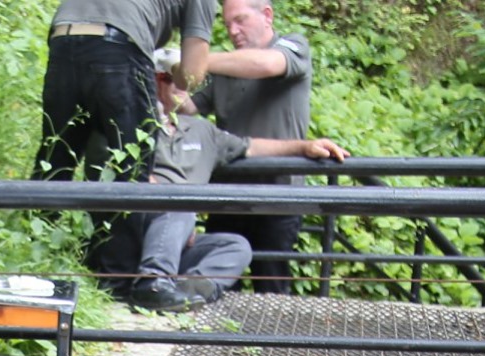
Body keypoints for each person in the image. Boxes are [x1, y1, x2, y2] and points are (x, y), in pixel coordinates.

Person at [129, 66, 348, 313]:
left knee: (236, 246)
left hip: (180, 235)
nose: (181, 85)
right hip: (137, 225)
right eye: (170, 78)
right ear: (155, 81)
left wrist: (304, 147)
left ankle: (187, 292)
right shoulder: (131, 125)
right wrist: (170, 206)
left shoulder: (202, 131)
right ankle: (152, 284)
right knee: (177, 204)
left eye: (185, 78)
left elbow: (250, 147)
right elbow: (118, 171)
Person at [31, 1, 215, 291]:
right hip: (120, 45)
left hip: (62, 36)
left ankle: (33, 258)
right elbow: (192, 75)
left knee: (57, 155)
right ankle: (116, 282)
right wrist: (172, 66)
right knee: (133, 166)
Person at [195, 0, 316, 294]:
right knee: (218, 288)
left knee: (272, 289)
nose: (233, 31)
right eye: (227, 24)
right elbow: (187, 107)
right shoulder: (226, 69)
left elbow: (266, 64)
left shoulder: (292, 46)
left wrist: (195, 60)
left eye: (240, 20)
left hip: (278, 194)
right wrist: (163, 80)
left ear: (267, 15)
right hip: (228, 193)